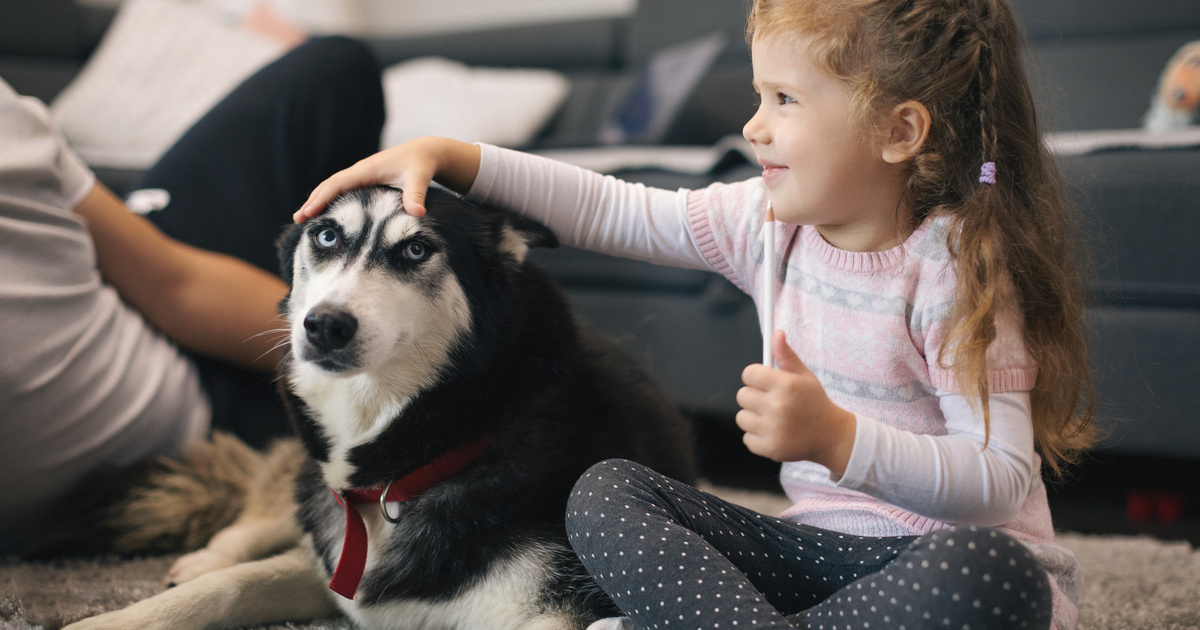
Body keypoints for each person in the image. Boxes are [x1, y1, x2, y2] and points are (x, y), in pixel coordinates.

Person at [294, 0, 1096, 627]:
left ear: (900, 131)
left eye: (785, 98)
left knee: (998, 579)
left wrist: (840, 441)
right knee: (606, 495)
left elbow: (1000, 484)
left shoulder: (958, 267)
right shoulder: (766, 223)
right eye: (759, 95)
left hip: (946, 568)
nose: (754, 126)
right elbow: (612, 209)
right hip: (814, 559)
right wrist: (452, 156)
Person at [0, 36, 385, 553]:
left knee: (333, 71)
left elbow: (172, 280)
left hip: (138, 303)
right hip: (187, 437)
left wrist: (364, 377)